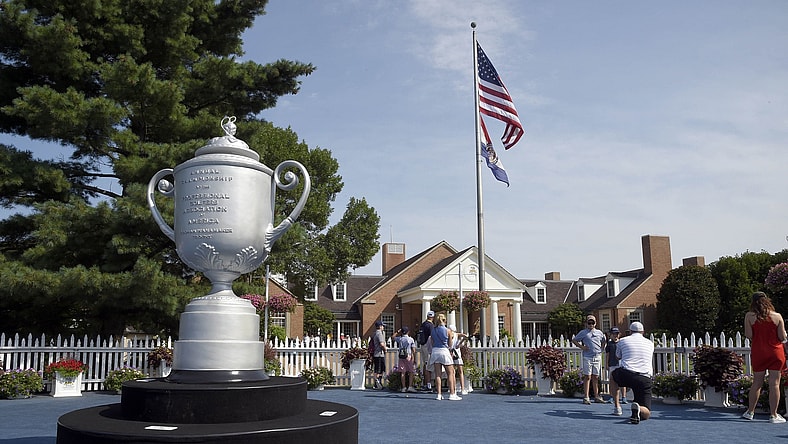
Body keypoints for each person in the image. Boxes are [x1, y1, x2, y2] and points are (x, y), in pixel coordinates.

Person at [742, 291, 787, 423]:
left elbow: (749, 335)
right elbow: (782, 337)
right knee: (775, 384)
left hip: (759, 352)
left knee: (757, 383)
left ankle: (750, 412)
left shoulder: (749, 316)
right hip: (775, 352)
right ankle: (773, 415)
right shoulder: (777, 316)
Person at [609, 321, 655, 424]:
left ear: (630, 331)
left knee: (613, 375)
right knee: (646, 412)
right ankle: (639, 409)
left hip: (627, 374)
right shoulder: (650, 343)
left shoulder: (622, 341)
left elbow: (618, 357)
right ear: (643, 332)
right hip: (645, 378)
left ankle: (617, 406)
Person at [572, 315, 607, 404]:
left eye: (593, 322)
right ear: (586, 323)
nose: (591, 324)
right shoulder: (583, 332)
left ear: (595, 323)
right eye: (589, 323)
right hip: (587, 357)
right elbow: (575, 340)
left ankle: (596, 396)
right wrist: (582, 347)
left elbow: (604, 341)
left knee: (596, 376)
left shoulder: (599, 332)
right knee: (587, 376)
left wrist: (601, 349)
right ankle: (586, 397)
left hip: (597, 356)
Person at [428, 313, 461, 400]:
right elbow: (450, 344)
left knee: (437, 374)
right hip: (444, 351)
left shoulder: (433, 330)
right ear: (444, 320)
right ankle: (452, 394)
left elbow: (432, 342)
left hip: (435, 351)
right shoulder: (448, 331)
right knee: (450, 372)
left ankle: (439, 394)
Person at [605, 327, 628, 404]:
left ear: (619, 334)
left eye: (617, 334)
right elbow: (607, 355)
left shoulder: (621, 343)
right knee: (612, 381)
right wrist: (607, 364)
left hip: (621, 364)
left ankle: (624, 397)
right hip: (612, 364)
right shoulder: (609, 344)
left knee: (622, 382)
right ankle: (612, 396)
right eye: (613, 334)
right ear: (610, 335)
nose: (615, 335)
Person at [392, 326, 417, 393]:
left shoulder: (400, 339)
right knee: (411, 371)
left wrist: (397, 331)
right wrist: (414, 358)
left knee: (403, 372)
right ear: (408, 332)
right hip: (408, 356)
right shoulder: (411, 339)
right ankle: (410, 386)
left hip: (401, 356)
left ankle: (403, 387)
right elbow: (413, 350)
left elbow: (393, 337)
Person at [448, 325, 469, 395]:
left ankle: (452, 388)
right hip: (457, 354)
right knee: (460, 372)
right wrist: (460, 343)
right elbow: (466, 336)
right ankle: (462, 389)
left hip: (451, 353)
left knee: (452, 372)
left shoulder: (449, 335)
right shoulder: (457, 335)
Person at [418, 311, 435, 392]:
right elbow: (432, 336)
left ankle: (425, 383)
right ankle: (429, 384)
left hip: (423, 345)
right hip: (428, 346)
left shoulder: (423, 324)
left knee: (425, 363)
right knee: (428, 365)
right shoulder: (430, 325)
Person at [371, 320, 387, 390]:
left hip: (375, 353)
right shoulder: (379, 333)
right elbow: (382, 344)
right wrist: (385, 349)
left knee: (377, 369)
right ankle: (378, 382)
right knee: (380, 369)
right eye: (382, 326)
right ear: (380, 326)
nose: (383, 327)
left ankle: (376, 383)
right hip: (379, 354)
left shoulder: (374, 333)